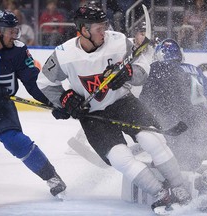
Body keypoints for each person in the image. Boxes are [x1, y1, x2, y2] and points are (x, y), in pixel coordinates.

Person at [37, 5, 191, 214]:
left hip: (123, 103)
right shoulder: (64, 54)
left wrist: (129, 72)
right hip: (92, 115)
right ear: (83, 30)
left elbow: (143, 66)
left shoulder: (118, 41)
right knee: (119, 158)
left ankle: (179, 187)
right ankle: (161, 194)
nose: (104, 31)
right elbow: (45, 82)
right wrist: (65, 99)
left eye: (105, 26)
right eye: (99, 28)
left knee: (153, 140)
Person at [0, 10, 67, 198]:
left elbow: (33, 83)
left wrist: (57, 102)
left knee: (15, 141)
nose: (16, 35)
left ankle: (52, 177)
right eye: (11, 31)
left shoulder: (18, 50)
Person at [139, 38, 207, 172]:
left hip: (183, 137)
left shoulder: (160, 71)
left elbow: (148, 103)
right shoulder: (196, 70)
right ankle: (190, 164)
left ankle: (177, 171)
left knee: (167, 149)